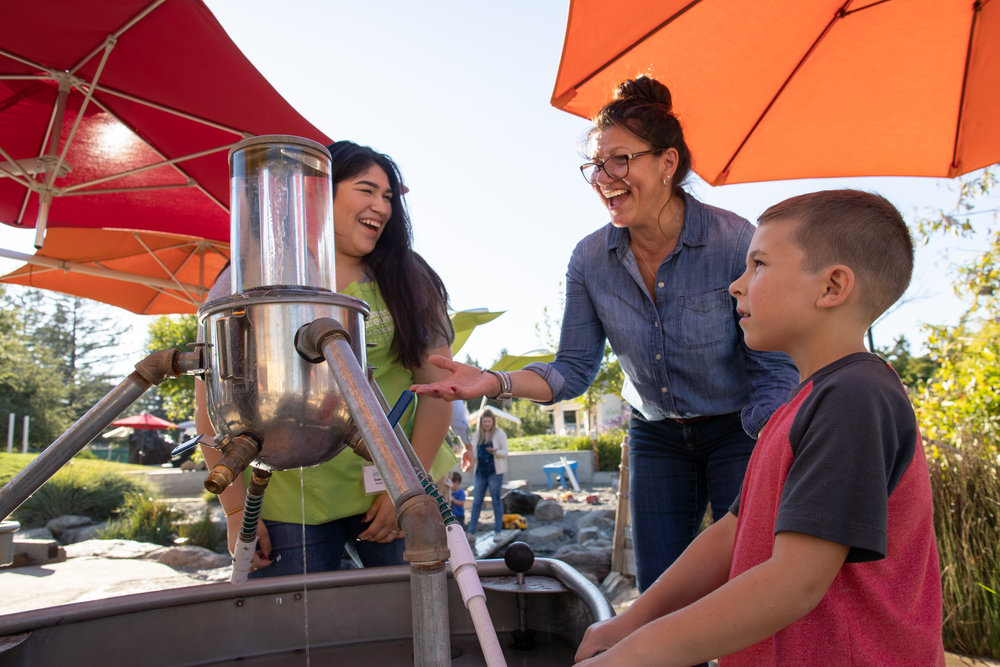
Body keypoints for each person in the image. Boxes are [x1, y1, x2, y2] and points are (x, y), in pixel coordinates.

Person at [412, 75, 798, 591]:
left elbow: (773, 360)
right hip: (656, 435)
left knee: (746, 581)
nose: (604, 177)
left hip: (739, 427)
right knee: (661, 589)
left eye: (621, 160)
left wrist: (769, 437)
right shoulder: (590, 259)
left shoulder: (734, 240)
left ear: (667, 163)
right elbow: (572, 370)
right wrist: (493, 381)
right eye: (596, 165)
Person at [574, 190, 945, 666]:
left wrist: (638, 653)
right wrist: (630, 621)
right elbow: (733, 529)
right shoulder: (798, 406)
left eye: (759, 265)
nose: (736, 285)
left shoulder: (855, 398)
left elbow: (794, 583)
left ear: (832, 287)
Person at [195, 140, 456, 576]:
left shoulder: (407, 277)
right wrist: (237, 510)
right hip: (286, 497)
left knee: (413, 620)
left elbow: (438, 389)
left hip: (392, 485)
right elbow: (211, 400)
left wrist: (410, 487)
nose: (382, 206)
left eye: (388, 197)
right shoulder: (252, 275)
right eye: (367, 190)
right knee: (296, 630)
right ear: (317, 191)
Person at [465, 409, 508, 542]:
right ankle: (471, 531)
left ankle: (497, 531)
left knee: (496, 500)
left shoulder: (499, 433)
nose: (487, 424)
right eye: (485, 421)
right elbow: (472, 450)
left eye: (489, 421)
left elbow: (505, 452)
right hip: (480, 472)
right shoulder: (478, 434)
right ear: (481, 422)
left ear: (493, 422)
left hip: (495, 472)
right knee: (477, 501)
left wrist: (496, 452)